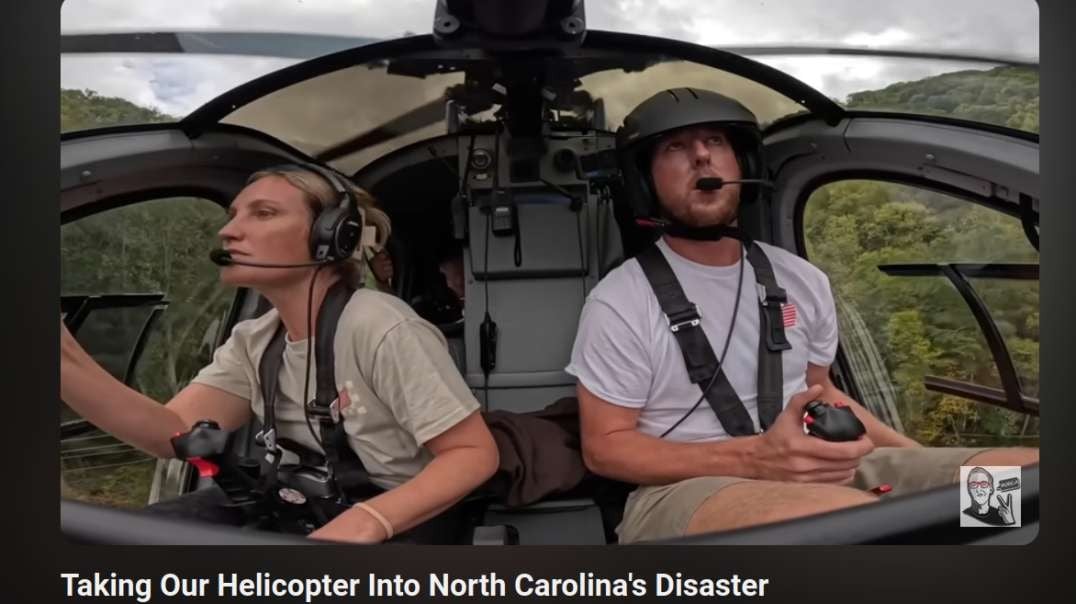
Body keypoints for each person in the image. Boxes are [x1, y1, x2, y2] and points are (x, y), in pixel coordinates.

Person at [566, 88, 1038, 543]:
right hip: (684, 490)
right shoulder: (620, 301)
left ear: (742, 163)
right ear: (647, 180)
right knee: (856, 530)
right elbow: (605, 447)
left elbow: (822, 392)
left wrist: (923, 465)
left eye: (715, 142)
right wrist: (756, 459)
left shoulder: (802, 280)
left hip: (820, 464)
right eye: (676, 147)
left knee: (1024, 484)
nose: (702, 157)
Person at [60, 164, 498, 544]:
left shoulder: (379, 325)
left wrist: (370, 521)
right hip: (300, 505)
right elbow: (173, 432)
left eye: (263, 213)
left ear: (331, 236)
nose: (228, 230)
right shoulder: (256, 338)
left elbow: (473, 453)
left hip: (396, 520)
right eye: (232, 216)